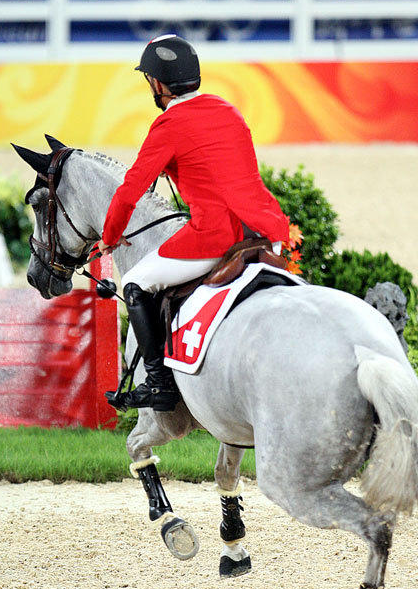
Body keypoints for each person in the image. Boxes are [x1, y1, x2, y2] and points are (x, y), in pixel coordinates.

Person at [98, 34, 290, 411]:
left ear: (157, 83)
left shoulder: (168, 126)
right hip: (268, 233)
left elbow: (129, 191)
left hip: (216, 238)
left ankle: (159, 384)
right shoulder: (227, 109)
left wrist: (110, 236)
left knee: (136, 281)